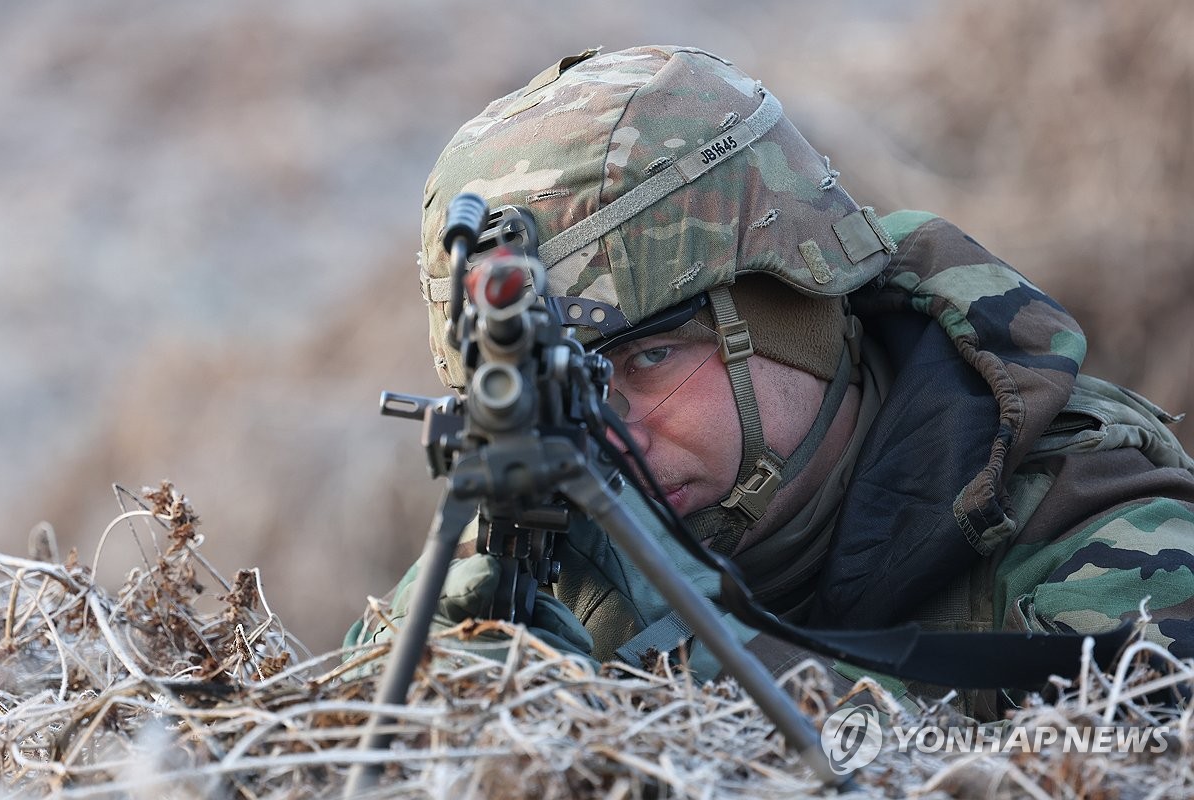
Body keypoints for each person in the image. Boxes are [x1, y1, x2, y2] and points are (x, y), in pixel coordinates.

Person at [346, 45, 1194, 719]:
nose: (611, 440)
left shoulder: (1106, 537)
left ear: (798, 304)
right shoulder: (544, 549)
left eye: (647, 361)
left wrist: (707, 671)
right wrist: (431, 690)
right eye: (565, 395)